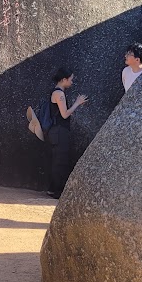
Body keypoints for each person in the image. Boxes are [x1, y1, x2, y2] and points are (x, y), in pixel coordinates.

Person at [47, 68, 88, 198]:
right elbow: (64, 114)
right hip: (59, 131)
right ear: (64, 79)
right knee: (60, 161)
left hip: (56, 131)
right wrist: (77, 103)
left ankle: (52, 189)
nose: (71, 82)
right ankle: (57, 192)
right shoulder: (59, 94)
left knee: (57, 160)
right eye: (70, 79)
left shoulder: (57, 92)